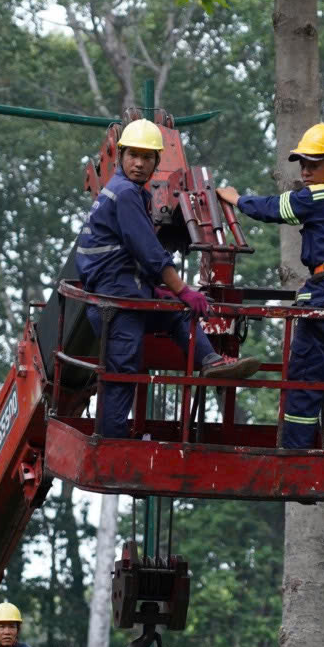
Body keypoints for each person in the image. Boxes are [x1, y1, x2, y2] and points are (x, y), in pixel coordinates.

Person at [76, 118, 259, 438]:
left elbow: (136, 254)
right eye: (134, 155)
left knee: (178, 313)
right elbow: (147, 251)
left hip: (127, 289)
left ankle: (211, 362)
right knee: (123, 372)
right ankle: (111, 446)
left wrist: (165, 292)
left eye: (147, 157)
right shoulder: (124, 193)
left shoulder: (126, 193)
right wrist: (183, 288)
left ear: (156, 162)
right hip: (116, 299)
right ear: (121, 156)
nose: (140, 163)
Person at [216, 123, 324, 450]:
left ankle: (296, 454)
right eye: (302, 164)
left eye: (314, 164)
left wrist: (236, 199)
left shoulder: (318, 196)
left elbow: (273, 209)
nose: (305, 172)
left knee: (304, 379)